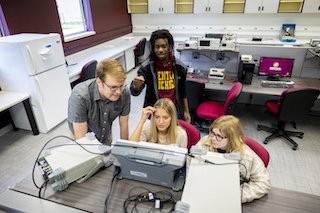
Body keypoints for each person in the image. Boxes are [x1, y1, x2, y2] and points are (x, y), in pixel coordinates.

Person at [195, 115, 271, 203]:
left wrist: (236, 195)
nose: (213, 138)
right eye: (212, 133)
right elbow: (192, 163)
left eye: (219, 136)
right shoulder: (205, 142)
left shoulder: (246, 155)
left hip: (229, 193)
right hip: (206, 188)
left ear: (232, 138)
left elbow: (263, 183)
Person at [130, 29, 191, 123]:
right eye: (157, 47)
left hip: (174, 111)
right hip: (155, 112)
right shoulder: (147, 67)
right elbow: (135, 91)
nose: (160, 50)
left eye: (164, 46)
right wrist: (136, 86)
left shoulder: (180, 67)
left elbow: (183, 92)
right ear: (153, 48)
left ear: (170, 47)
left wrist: (186, 112)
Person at [68, 59, 130, 145]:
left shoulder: (124, 93)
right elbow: (81, 139)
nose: (119, 92)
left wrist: (125, 152)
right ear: (99, 82)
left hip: (105, 133)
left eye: (121, 86)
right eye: (113, 87)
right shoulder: (80, 96)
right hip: (82, 135)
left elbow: (124, 126)